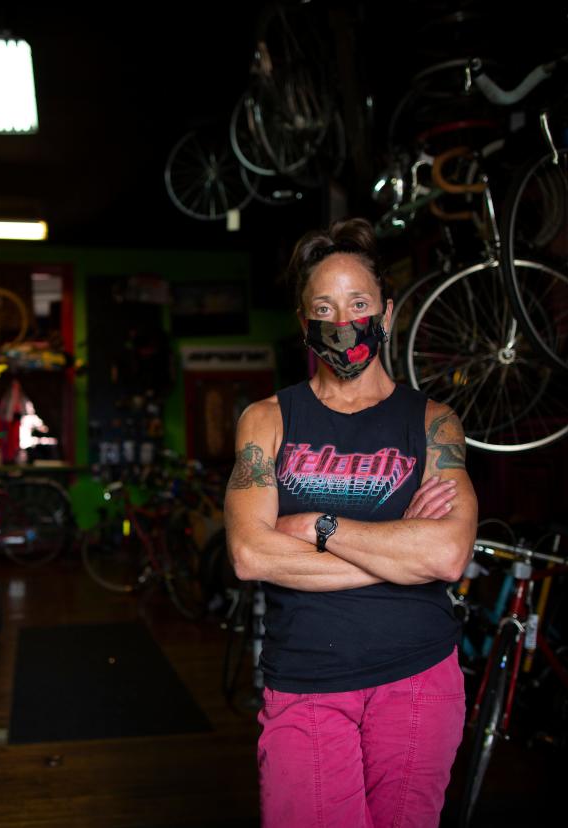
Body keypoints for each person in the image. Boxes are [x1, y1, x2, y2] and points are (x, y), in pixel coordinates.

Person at [224, 217, 478, 827]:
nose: (343, 322)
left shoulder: (434, 423)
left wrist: (320, 525)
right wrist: (396, 558)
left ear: (387, 315)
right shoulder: (267, 419)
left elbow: (445, 557)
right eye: (325, 307)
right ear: (304, 323)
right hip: (306, 677)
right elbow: (251, 557)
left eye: (359, 303)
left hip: (419, 678)